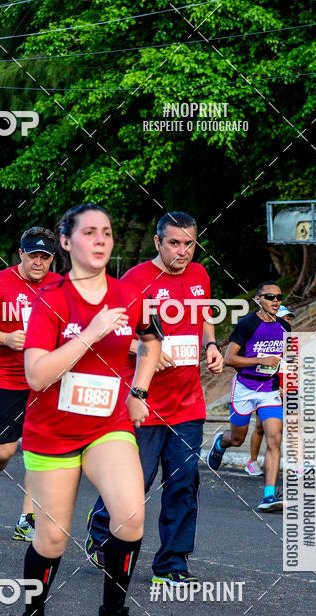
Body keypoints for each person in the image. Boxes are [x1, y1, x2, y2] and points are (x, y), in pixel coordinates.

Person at [14, 203, 162, 616]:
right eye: (89, 232)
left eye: (107, 232)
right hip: (52, 432)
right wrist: (90, 333)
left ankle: (112, 614)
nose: (100, 240)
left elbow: (151, 340)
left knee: (131, 516)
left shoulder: (130, 294)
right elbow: (37, 375)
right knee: (52, 537)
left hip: (107, 426)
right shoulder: (50, 299)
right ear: (66, 241)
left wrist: (139, 390)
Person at [86, 211, 224, 587]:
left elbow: (205, 314)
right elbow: (108, 333)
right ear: (158, 242)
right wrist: (144, 349)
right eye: (174, 243)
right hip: (143, 401)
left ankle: (171, 564)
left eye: (189, 244)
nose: (182, 251)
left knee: (183, 482)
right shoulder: (135, 280)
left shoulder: (199, 275)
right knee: (135, 481)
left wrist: (211, 345)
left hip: (188, 402)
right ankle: (101, 531)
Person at [0, 227, 59, 541]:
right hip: (4, 378)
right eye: (33, 256)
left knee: (39, 450)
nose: (38, 262)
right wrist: (5, 338)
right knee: (4, 451)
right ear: (21, 253)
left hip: (44, 381)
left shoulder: (60, 286)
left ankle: (27, 518)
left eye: (45, 257)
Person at [207, 281, 289, 511]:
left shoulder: (284, 327)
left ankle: (269, 496)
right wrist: (260, 360)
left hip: (269, 391)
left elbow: (283, 358)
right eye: (270, 297)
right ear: (257, 299)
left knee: (274, 439)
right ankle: (220, 442)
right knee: (237, 439)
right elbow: (229, 359)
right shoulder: (247, 324)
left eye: (279, 297)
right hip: (244, 388)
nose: (275, 301)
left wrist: (283, 380)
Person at [245, 304, 295, 476]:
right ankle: (252, 462)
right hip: (267, 389)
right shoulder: (263, 339)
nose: (288, 321)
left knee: (292, 427)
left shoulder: (289, 339)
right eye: (285, 318)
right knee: (260, 427)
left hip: (287, 390)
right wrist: (275, 386)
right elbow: (260, 367)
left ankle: (297, 464)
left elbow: (289, 365)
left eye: (289, 319)